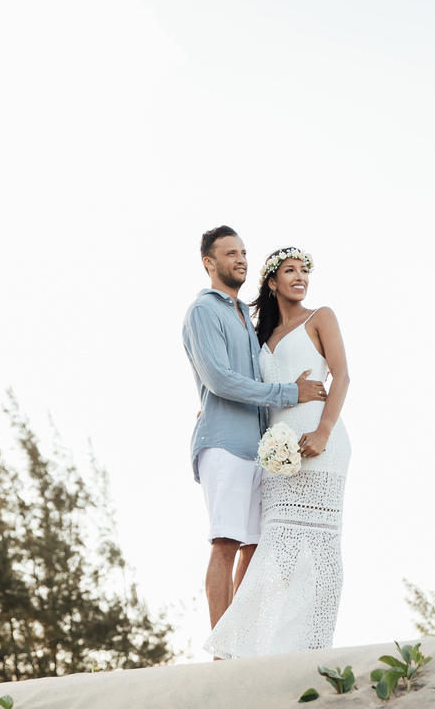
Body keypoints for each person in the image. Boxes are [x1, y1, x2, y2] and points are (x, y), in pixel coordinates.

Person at [203, 245, 351, 659]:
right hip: (277, 455)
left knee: (320, 550)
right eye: (290, 270)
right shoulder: (260, 337)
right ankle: (249, 648)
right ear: (272, 281)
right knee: (275, 552)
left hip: (321, 444)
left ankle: (314, 648)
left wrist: (323, 430)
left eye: (304, 270)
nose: (300, 276)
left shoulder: (321, 317)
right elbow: (238, 384)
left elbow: (342, 376)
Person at [182, 227, 328, 640]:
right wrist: (287, 391)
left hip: (258, 449)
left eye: (244, 252)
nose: (240, 259)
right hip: (225, 444)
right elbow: (220, 380)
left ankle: (238, 640)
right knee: (226, 543)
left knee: (255, 547)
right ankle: (220, 651)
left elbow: (260, 370)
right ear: (210, 263)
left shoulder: (245, 316)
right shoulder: (203, 311)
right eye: (230, 253)